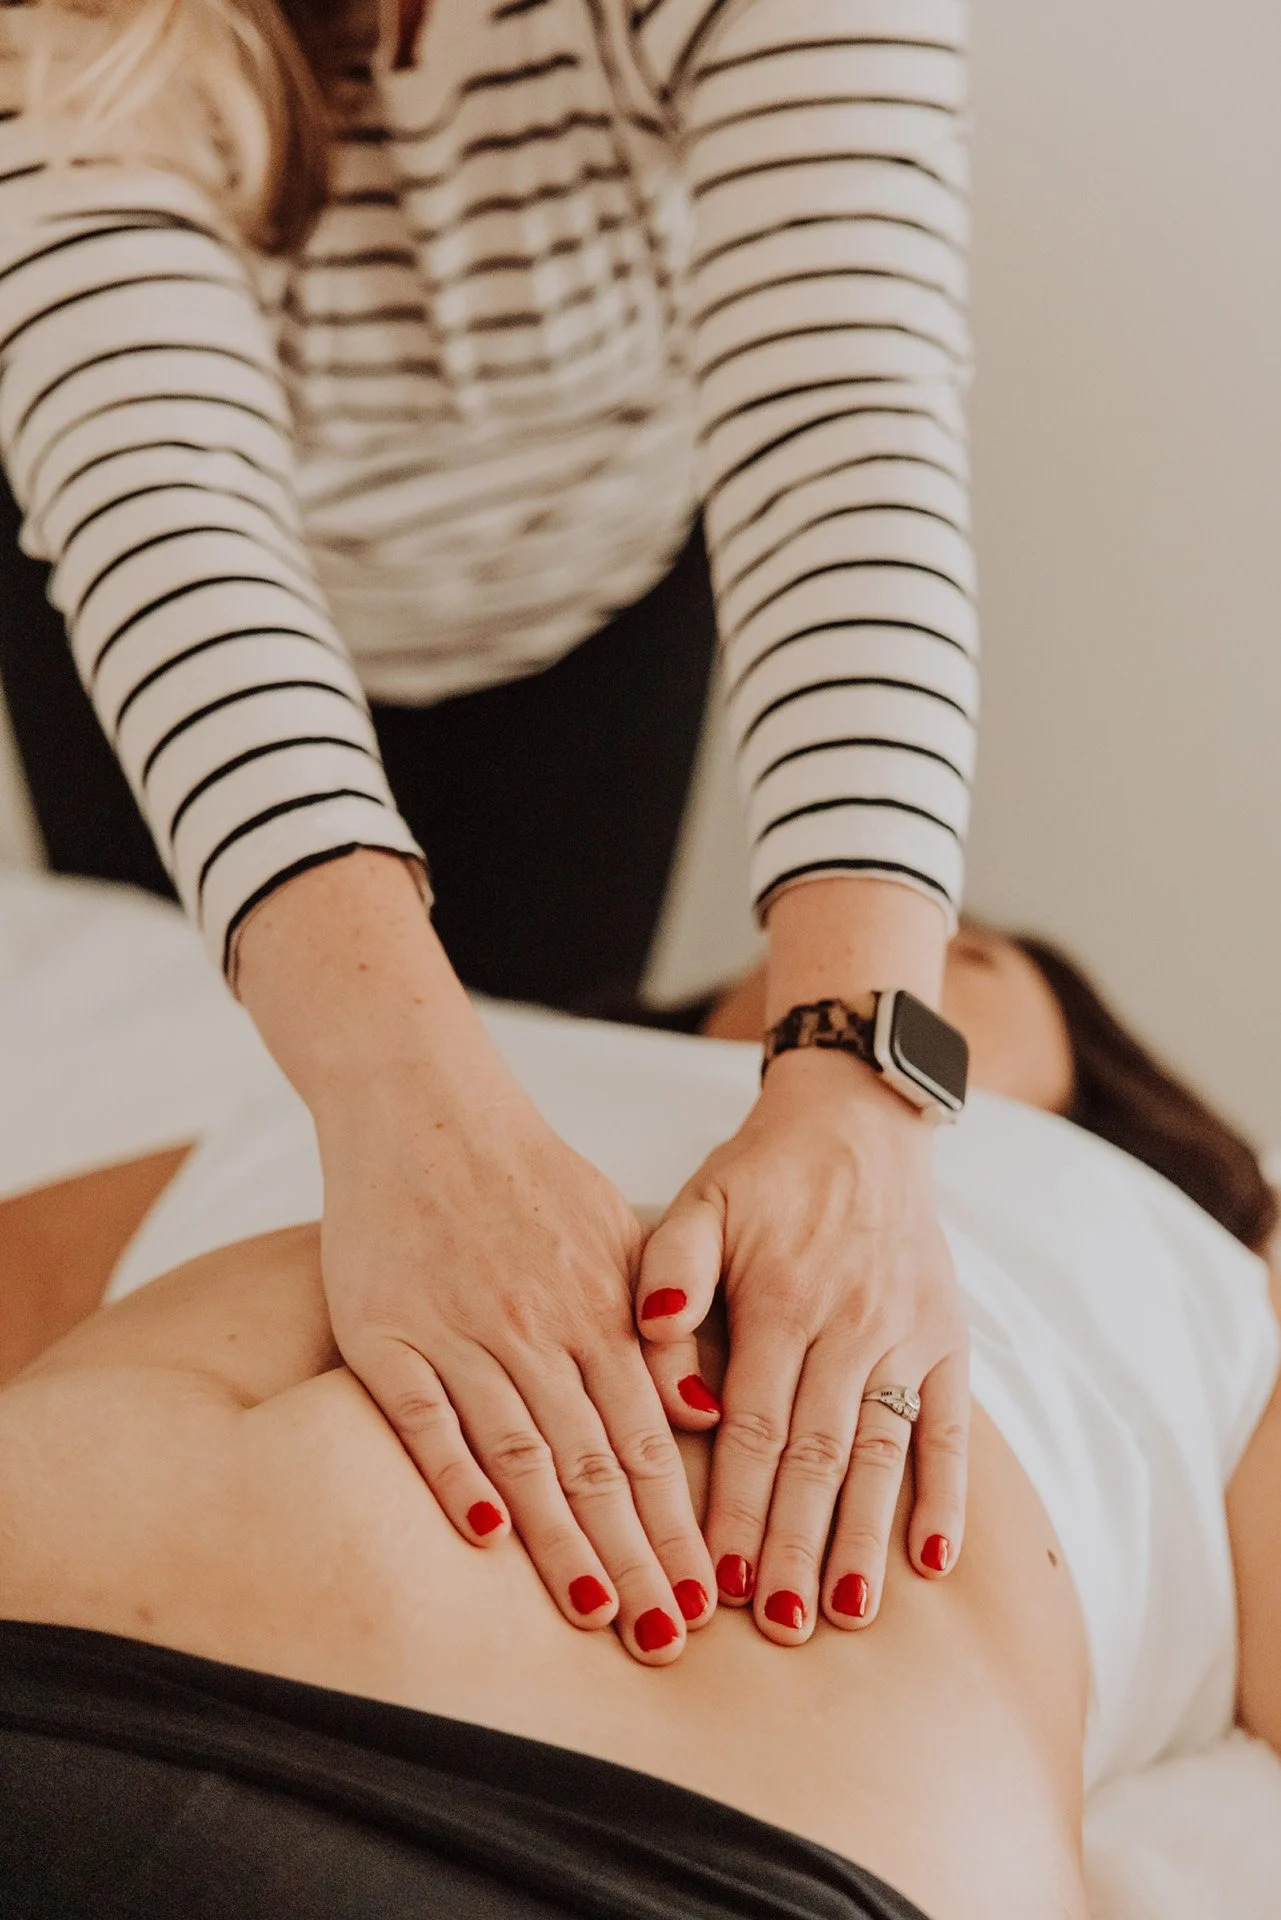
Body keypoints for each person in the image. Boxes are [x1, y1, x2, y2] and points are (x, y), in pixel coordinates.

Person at [0, 0, 980, 1642]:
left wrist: (859, 1079)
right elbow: (161, 487)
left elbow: (846, 430)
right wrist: (395, 1087)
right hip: (177, 610)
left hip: (583, 582)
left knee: (542, 1083)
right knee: (218, 1157)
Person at [1, 928, 1279, 1919]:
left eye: (970, 950)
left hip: (707, 1851)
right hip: (57, 1660)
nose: (865, 960)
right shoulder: (381, 1064)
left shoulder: (1194, 1260)